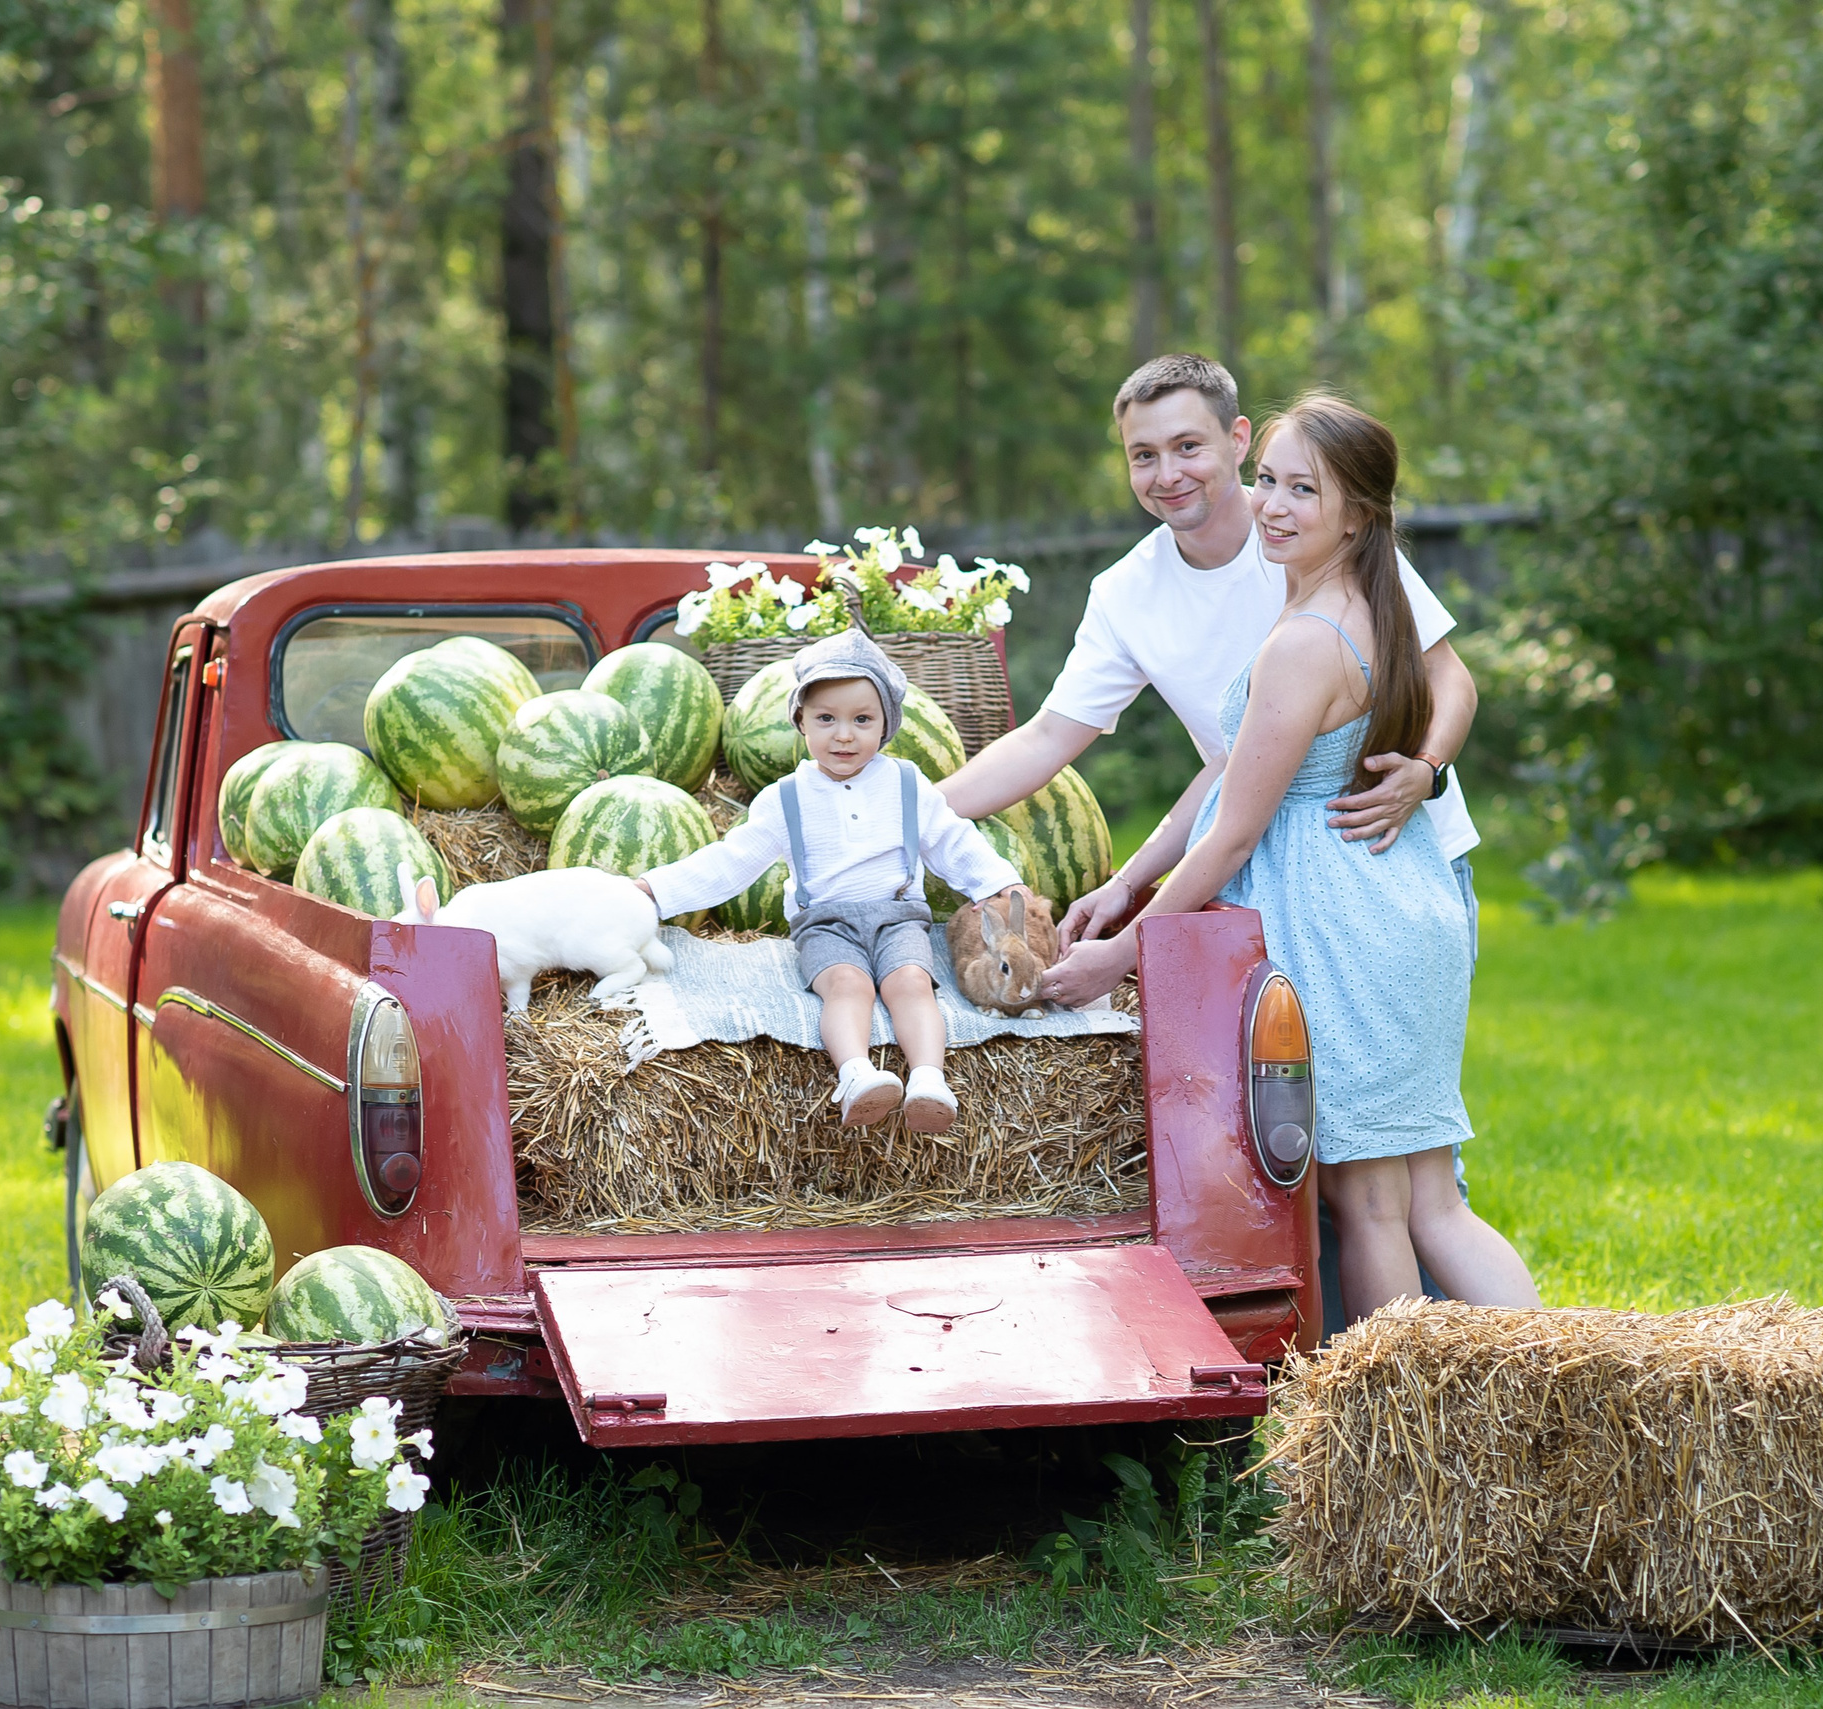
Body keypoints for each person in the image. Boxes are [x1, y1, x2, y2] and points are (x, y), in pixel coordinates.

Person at [1062, 393, 1538, 1316]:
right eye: (1268, 481)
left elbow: (1235, 828)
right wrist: (1128, 881)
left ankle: (1402, 1426)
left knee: (1369, 1204)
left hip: (1343, 923)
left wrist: (1127, 950)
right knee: (1432, 1201)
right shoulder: (1375, 600)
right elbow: (1222, 791)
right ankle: (1560, 1377)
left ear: (1356, 513)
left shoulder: (1303, 643)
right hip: (1401, 897)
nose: (1273, 506)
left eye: (1302, 491)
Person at [937, 352, 1483, 1011]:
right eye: (1143, 454)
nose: (1167, 474)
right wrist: (906, 812)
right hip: (1267, 883)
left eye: (1188, 446)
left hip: (1387, 852)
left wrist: (1427, 766)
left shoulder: (1318, 526)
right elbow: (1048, 738)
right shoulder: (1127, 593)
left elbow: (1448, 675)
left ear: (1239, 439)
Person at [634, 629, 1030, 1135]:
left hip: (898, 914)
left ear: (887, 725)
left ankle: (930, 1080)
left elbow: (953, 841)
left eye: (862, 720)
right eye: (826, 719)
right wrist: (655, 889)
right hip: (826, 921)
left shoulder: (907, 784)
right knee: (849, 985)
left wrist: (998, 883)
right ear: (800, 721)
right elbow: (732, 861)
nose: (844, 735)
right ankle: (856, 1076)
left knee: (911, 983)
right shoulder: (786, 797)